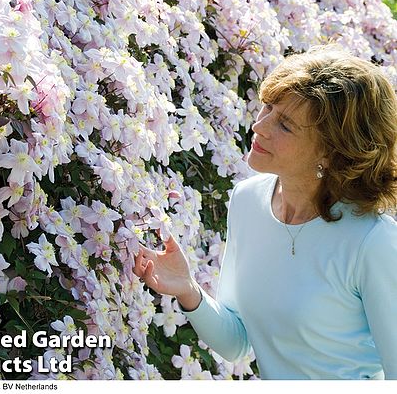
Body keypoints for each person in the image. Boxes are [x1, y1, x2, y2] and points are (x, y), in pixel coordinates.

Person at [132, 44, 397, 380]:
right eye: (268, 107)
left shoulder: (372, 241)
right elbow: (236, 342)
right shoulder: (247, 201)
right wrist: (188, 289)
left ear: (332, 152)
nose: (261, 126)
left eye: (285, 125)